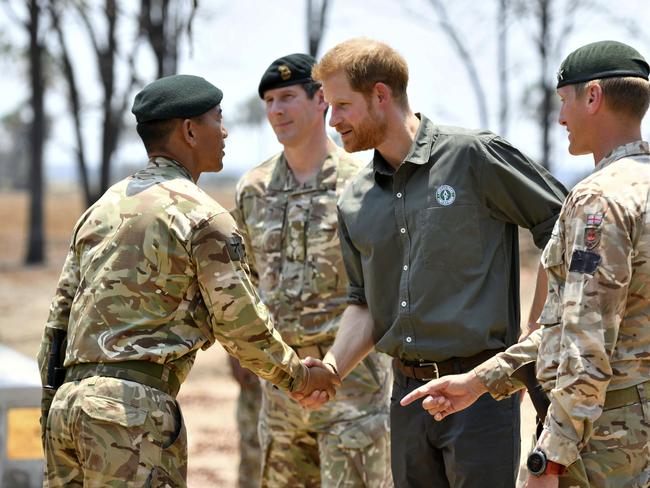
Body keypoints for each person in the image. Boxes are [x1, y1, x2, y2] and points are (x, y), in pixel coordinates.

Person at [37, 74, 340, 487]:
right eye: (218, 118)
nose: (226, 130)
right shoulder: (203, 217)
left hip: (67, 410)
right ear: (190, 130)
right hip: (131, 417)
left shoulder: (102, 208)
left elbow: (56, 326)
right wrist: (300, 378)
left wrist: (52, 411)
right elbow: (240, 323)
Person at [303, 38, 568, 488]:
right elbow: (364, 303)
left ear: (381, 95)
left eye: (342, 105)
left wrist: (537, 330)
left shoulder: (473, 156)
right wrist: (331, 369)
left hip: (480, 393)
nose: (333, 122)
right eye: (329, 108)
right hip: (405, 398)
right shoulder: (354, 200)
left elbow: (564, 225)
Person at [401, 40, 650, 488]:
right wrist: (478, 381)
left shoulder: (599, 199)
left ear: (592, 96)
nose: (560, 118)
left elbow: (584, 346)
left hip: (603, 449)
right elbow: (569, 330)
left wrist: (549, 459)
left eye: (564, 102)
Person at [232, 53, 393, 488]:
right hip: (282, 395)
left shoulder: (363, 180)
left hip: (353, 391)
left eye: (287, 97)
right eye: (268, 101)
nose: (276, 111)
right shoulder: (253, 189)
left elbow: (387, 284)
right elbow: (243, 281)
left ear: (321, 99)